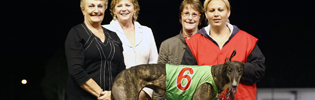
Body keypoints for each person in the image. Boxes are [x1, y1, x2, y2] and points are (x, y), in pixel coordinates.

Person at [182, 0, 266, 100]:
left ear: (228, 12)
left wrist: (237, 69)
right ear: (206, 14)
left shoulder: (247, 40)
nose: (216, 14)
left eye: (220, 10)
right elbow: (186, 78)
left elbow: (259, 70)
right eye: (212, 10)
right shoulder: (194, 43)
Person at [65, 0, 126, 99]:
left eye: (100, 6)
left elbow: (122, 72)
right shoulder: (76, 33)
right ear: (83, 10)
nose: (96, 10)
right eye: (91, 6)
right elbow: (76, 70)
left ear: (105, 9)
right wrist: (101, 94)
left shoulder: (114, 37)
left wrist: (114, 94)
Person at [102, 0, 159, 99]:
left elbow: (154, 64)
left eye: (128, 5)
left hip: (144, 95)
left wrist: (145, 92)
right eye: (119, 6)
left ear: (135, 9)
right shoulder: (105, 31)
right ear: (114, 11)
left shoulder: (147, 31)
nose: (124, 9)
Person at [158, 0, 204, 65]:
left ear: (200, 19)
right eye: (186, 13)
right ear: (180, 17)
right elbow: (161, 73)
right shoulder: (167, 45)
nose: (190, 18)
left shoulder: (207, 44)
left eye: (194, 14)